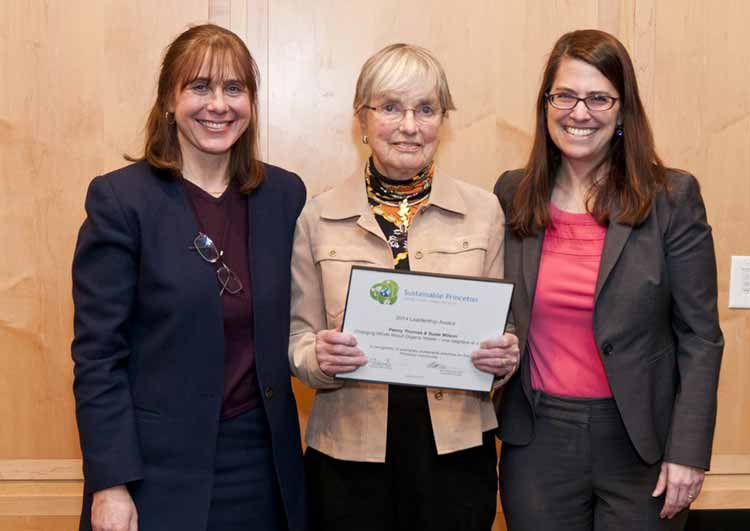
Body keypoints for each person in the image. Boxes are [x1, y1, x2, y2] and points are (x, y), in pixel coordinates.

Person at [71, 24, 308, 531]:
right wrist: (111, 484)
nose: (218, 105)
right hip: (152, 474)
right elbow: (97, 356)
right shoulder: (121, 201)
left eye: (234, 89)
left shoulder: (285, 196)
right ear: (168, 102)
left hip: (263, 472)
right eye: (200, 87)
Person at [494, 29, 724, 531]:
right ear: (546, 104)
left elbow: (701, 336)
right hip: (537, 441)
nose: (580, 112)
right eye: (566, 96)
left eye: (599, 97)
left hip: (642, 446)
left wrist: (688, 451)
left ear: (622, 110)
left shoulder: (671, 196)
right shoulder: (513, 193)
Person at [289, 43, 519, 531]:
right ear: (362, 119)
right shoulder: (318, 216)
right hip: (347, 456)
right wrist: (319, 359)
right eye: (390, 107)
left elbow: (505, 329)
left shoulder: (485, 213)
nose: (409, 126)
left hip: (455, 454)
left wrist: (504, 359)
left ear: (443, 121)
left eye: (426, 109)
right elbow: (297, 340)